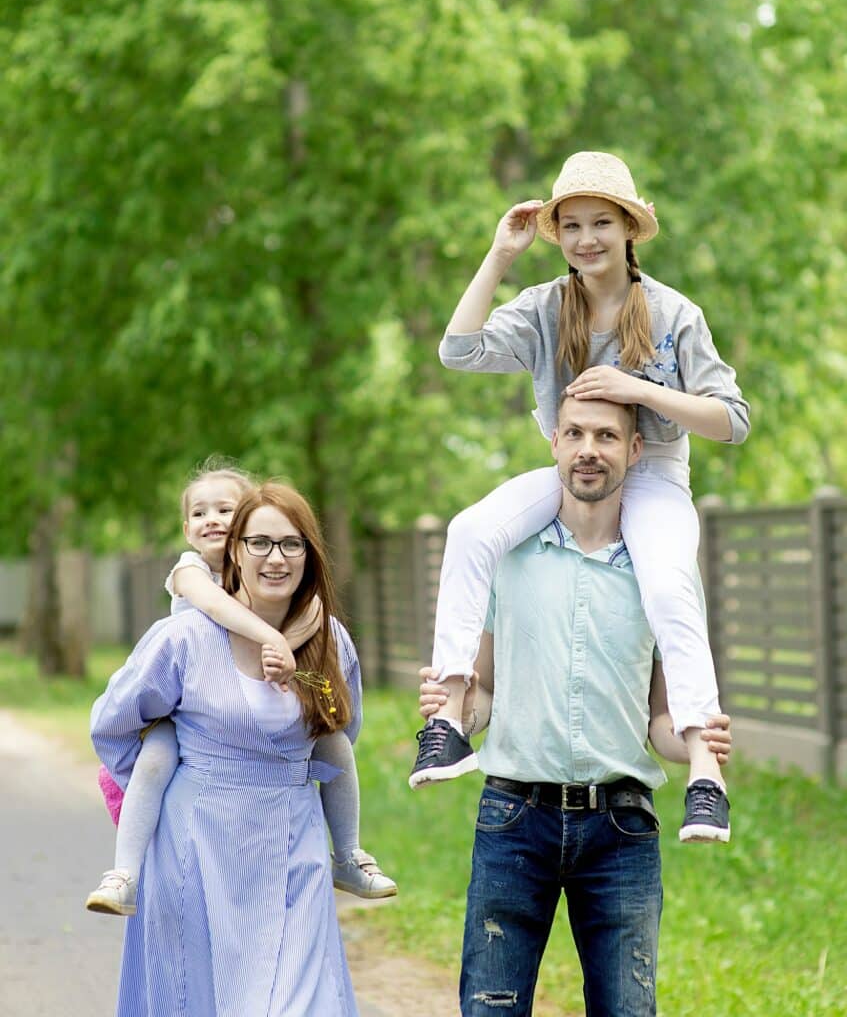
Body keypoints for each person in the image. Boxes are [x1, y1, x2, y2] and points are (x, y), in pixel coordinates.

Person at [409, 150, 749, 843]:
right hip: (574, 466)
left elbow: (732, 420)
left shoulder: (672, 313)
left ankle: (706, 773)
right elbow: (457, 351)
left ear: (627, 227)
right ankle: (447, 718)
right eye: (571, 225)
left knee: (665, 583)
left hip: (650, 475)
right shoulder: (543, 308)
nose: (586, 238)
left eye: (601, 222)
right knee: (470, 530)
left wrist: (636, 390)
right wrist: (501, 255)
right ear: (556, 235)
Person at [419, 394, 732, 1016]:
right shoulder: (507, 557)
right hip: (513, 818)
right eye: (576, 435)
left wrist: (700, 744)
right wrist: (456, 712)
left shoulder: (662, 574)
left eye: (608, 437)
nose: (590, 450)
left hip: (621, 828)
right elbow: (481, 693)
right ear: (555, 444)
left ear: (635, 450)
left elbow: (661, 723)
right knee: (491, 1008)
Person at [91, 482, 366, 1016]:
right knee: (205, 998)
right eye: (259, 543)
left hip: (294, 846)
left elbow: (339, 731)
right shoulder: (182, 639)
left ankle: (351, 857)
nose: (275, 558)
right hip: (197, 847)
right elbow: (112, 724)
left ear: (310, 555)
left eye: (291, 544)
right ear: (234, 550)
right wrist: (163, 779)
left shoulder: (329, 638)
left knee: (300, 1001)